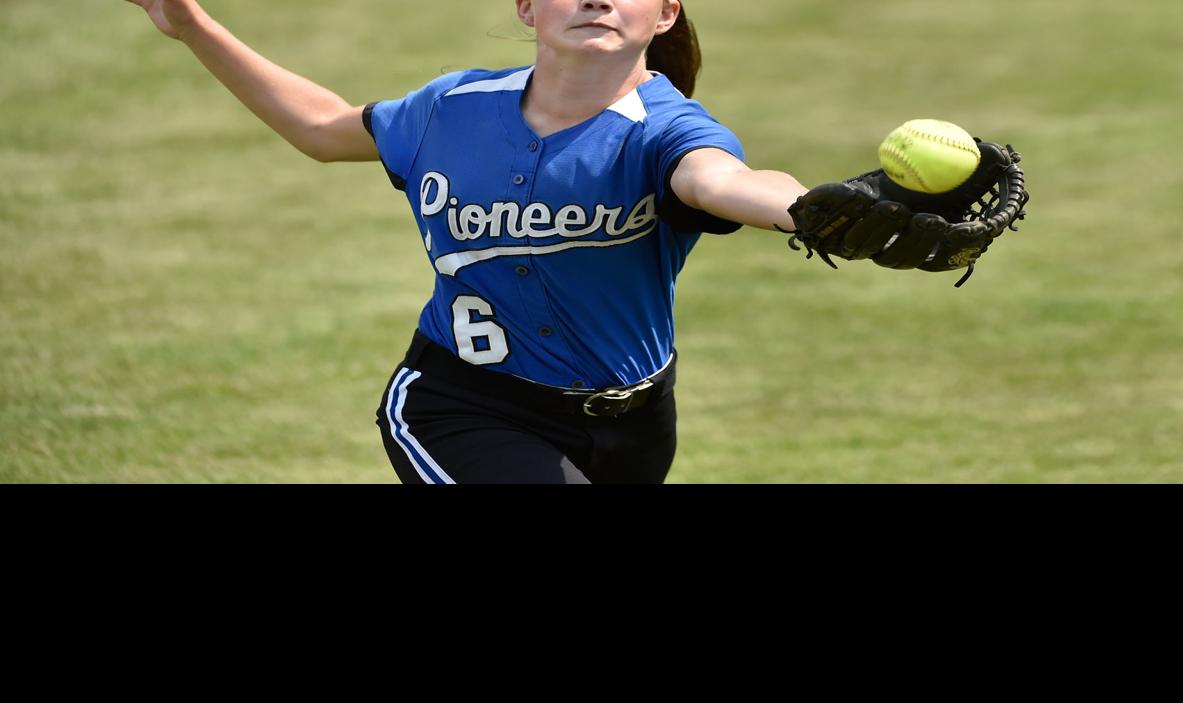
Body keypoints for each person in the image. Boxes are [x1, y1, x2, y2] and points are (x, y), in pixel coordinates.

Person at [125, 0, 1024, 484]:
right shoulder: (450, 108)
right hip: (462, 404)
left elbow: (725, 183)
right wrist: (191, 22)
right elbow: (324, 127)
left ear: (665, 13)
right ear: (526, 6)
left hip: (636, 424)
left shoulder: (664, 127)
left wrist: (809, 212)